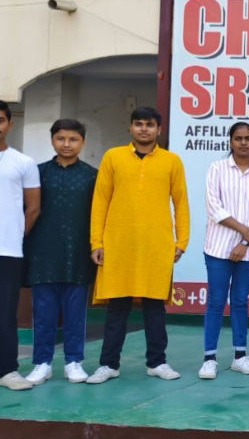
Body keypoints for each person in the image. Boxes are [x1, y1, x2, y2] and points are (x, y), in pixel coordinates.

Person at [86, 106, 190, 384]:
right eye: (139, 124)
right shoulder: (113, 157)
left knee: (155, 308)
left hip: (157, 245)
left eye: (150, 124)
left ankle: (157, 362)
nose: (144, 129)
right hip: (118, 245)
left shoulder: (171, 161)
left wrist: (181, 242)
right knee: (117, 308)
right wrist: (97, 242)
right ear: (130, 127)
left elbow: (181, 202)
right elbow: (100, 201)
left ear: (159, 129)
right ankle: (108, 365)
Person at [24, 119, 97, 386]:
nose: (67, 144)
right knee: (43, 313)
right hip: (43, 252)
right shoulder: (37, 173)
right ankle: (41, 364)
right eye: (61, 139)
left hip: (79, 253)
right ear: (52, 140)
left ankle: (73, 362)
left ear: (83, 142)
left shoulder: (92, 176)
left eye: (73, 139)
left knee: (75, 313)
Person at [198, 122, 249, 380]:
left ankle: (241, 356)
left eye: (247, 138)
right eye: (238, 138)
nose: (243, 142)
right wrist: (242, 231)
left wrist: (245, 243)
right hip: (218, 247)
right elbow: (214, 208)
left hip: (248, 250)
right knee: (216, 301)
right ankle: (209, 359)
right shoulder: (217, 168)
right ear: (230, 141)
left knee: (240, 301)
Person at [0, 99, 41, 391]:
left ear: (10, 124)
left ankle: (8, 370)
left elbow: (33, 208)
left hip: (7, 251)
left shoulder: (23, 162)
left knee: (4, 312)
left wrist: (14, 235)